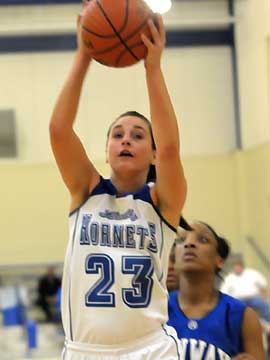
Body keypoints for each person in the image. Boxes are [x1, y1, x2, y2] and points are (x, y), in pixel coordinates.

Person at [49, 12, 187, 360]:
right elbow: (58, 131)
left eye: (138, 136)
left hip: (150, 350)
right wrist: (84, 54)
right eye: (118, 135)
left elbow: (171, 148)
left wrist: (152, 68)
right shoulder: (86, 192)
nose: (126, 140)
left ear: (153, 155)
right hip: (85, 351)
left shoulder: (163, 203)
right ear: (107, 152)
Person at [167, 221, 266, 360]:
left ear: (219, 260)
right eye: (181, 240)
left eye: (202, 239)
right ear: (174, 258)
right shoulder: (156, 309)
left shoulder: (243, 316)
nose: (189, 244)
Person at [220, 256, 270, 323]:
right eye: (235, 267)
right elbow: (223, 291)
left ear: (242, 266)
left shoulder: (251, 273)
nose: (237, 268)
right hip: (239, 299)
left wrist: (263, 295)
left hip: (253, 297)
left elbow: (263, 283)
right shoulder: (230, 278)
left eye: (238, 267)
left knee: (263, 304)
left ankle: (268, 322)